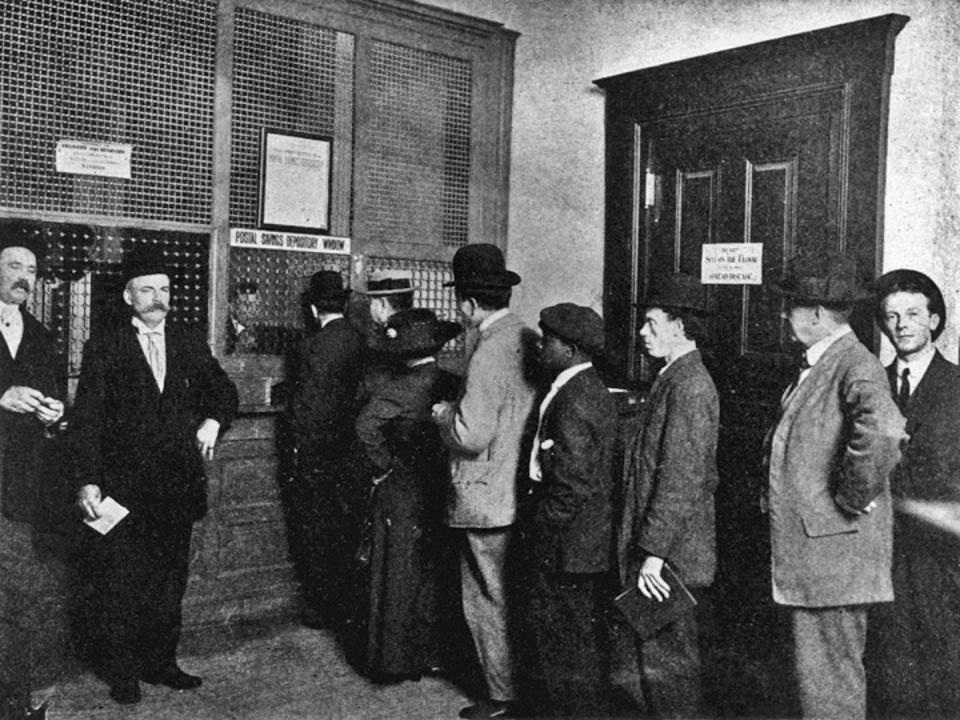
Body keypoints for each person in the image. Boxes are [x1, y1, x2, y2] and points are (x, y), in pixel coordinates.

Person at [70, 245, 238, 705]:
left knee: (169, 581)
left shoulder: (187, 340)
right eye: (147, 289)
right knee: (121, 583)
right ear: (128, 297)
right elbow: (87, 418)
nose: (158, 298)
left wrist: (213, 420)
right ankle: (123, 672)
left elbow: (222, 390)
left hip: (176, 488)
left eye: (164, 289)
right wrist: (87, 479)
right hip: (123, 490)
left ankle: (162, 662)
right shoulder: (104, 345)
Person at [766, 252, 905, 720]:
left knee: (830, 690)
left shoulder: (853, 363)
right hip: (819, 561)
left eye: (791, 308)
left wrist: (849, 497)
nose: (785, 317)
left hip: (834, 562)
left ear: (817, 315)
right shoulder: (823, 362)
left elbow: (885, 428)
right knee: (816, 687)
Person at [431, 244, 537, 720]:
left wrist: (442, 413)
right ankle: (516, 688)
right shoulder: (528, 337)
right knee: (509, 593)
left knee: (485, 597)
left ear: (470, 305)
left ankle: (499, 698)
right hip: (517, 489)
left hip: (484, 494)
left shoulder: (487, 352)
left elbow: (470, 434)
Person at [615, 273, 719, 718]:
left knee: (669, 671)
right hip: (663, 550)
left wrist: (653, 554)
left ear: (680, 327)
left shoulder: (690, 385)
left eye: (652, 323)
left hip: (671, 556)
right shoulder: (673, 377)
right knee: (653, 664)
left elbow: (680, 479)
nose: (642, 332)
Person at [865, 269, 960, 717]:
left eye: (913, 314)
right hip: (879, 553)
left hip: (940, 558)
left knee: (942, 670)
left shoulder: (956, 387)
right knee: (888, 671)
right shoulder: (869, 385)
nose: (902, 324)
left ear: (935, 322)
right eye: (892, 315)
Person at [349, 308, 461, 681]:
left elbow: (365, 428)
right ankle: (431, 655)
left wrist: (384, 466)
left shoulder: (397, 387)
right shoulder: (451, 382)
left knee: (395, 572)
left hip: (402, 488)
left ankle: (393, 661)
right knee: (431, 573)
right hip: (441, 485)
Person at [518, 303, 616, 718]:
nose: (541, 347)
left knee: (564, 646)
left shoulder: (575, 398)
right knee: (567, 642)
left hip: (566, 544)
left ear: (571, 349)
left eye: (549, 341)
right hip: (578, 541)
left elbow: (572, 484)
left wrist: (541, 530)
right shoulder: (579, 386)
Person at [0, 236, 68, 717]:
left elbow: (58, 404)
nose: (24, 275)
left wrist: (54, 414)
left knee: (20, 597)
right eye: (14, 265)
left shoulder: (43, 336)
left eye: (31, 268)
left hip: (20, 489)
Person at [284, 270, 365, 630]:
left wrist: (300, 453)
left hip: (316, 457)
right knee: (347, 530)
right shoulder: (361, 340)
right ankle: (348, 606)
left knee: (316, 533)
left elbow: (305, 409)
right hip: (352, 454)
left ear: (314, 308)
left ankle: (321, 608)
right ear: (344, 304)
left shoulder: (309, 348)